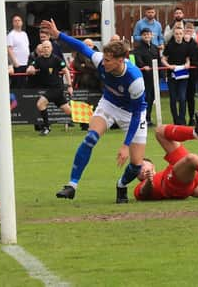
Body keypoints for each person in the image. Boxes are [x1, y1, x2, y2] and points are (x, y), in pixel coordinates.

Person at [40, 19, 147, 204]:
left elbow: (137, 114)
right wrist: (58, 36)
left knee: (136, 165)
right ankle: (72, 185)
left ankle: (121, 185)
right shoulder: (100, 61)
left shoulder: (135, 80)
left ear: (121, 60)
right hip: (109, 105)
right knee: (90, 138)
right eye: (103, 59)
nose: (103, 63)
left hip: (132, 114)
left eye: (108, 60)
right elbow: (81, 47)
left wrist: (125, 145)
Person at [26, 41, 73, 135]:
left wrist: (69, 86)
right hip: (50, 89)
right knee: (68, 111)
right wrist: (30, 69)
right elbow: (30, 68)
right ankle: (89, 117)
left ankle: (47, 127)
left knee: (40, 104)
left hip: (57, 88)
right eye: (44, 47)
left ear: (51, 48)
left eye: (47, 47)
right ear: (41, 49)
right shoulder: (39, 59)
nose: (46, 49)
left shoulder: (56, 59)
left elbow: (66, 71)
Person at [161, 27, 193, 125]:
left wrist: (188, 63)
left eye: (180, 33)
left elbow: (188, 58)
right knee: (173, 98)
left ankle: (182, 119)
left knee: (183, 98)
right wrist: (169, 66)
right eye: (177, 34)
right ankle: (176, 119)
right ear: (174, 35)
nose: (178, 35)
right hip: (172, 75)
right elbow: (163, 59)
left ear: (183, 34)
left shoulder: (186, 46)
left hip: (183, 75)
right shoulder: (170, 46)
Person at [132, 28, 160, 126]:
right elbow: (138, 60)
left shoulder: (155, 48)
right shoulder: (138, 48)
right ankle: (143, 118)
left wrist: (160, 75)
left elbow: (159, 61)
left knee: (151, 98)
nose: (147, 36)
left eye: (148, 34)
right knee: (144, 97)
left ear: (151, 35)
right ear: (142, 36)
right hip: (143, 77)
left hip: (154, 77)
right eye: (145, 35)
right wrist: (143, 66)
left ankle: (148, 117)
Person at [7, 13, 30, 89]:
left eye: (19, 20)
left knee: (24, 84)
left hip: (26, 63)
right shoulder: (11, 34)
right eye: (15, 21)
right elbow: (9, 49)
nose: (17, 22)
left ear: (22, 22)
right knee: (17, 84)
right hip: (17, 64)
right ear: (13, 23)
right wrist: (15, 63)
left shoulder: (24, 34)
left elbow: (26, 47)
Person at [183, 22, 198, 125]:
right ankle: (181, 118)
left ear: (193, 31)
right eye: (187, 30)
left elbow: (196, 59)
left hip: (192, 74)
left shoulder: (195, 44)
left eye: (190, 30)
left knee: (190, 97)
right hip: (181, 72)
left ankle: (191, 118)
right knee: (181, 97)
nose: (188, 32)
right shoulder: (179, 42)